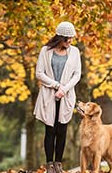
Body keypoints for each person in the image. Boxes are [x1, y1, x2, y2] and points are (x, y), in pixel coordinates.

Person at [33, 21, 82, 173]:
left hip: (66, 96)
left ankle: (59, 164)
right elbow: (39, 73)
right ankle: (49, 165)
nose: (70, 42)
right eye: (68, 39)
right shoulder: (45, 51)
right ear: (60, 37)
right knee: (50, 130)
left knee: (62, 130)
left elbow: (77, 75)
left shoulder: (75, 52)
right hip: (49, 95)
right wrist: (56, 86)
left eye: (72, 39)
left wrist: (64, 89)